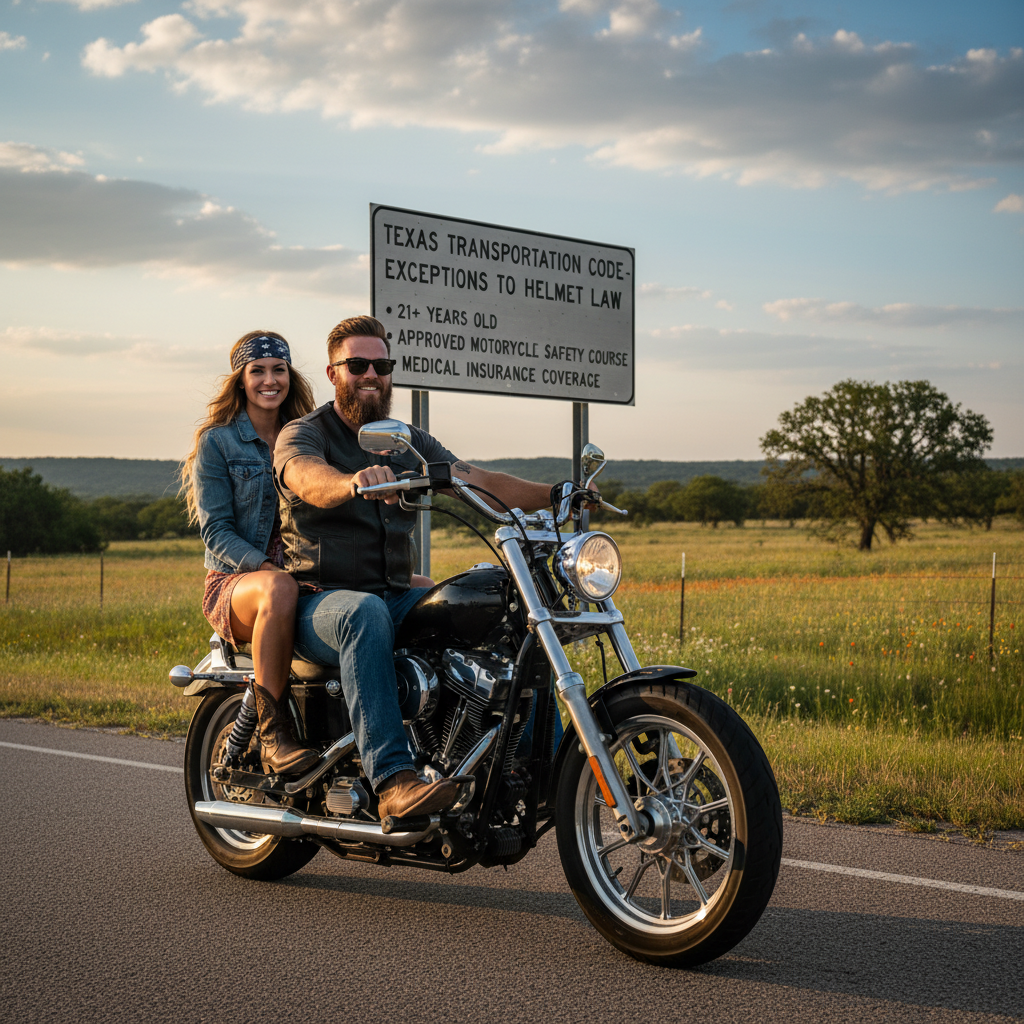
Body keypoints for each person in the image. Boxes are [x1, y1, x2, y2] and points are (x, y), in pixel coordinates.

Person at [273, 315, 557, 819]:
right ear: (333, 372)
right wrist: (351, 482)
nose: (371, 375)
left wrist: (556, 494)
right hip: (319, 603)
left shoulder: (407, 442)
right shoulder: (304, 433)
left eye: (381, 366)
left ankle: (538, 767)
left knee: (500, 602)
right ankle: (393, 781)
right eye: (357, 365)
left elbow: (475, 479)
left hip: (392, 596)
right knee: (363, 612)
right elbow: (305, 477)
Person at [181, 330, 320, 776]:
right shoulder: (218, 442)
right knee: (278, 588)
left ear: (290, 376)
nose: (269, 380)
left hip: (305, 574)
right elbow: (216, 531)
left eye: (278, 369)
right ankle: (272, 735)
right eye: (257, 370)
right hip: (236, 583)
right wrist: (268, 567)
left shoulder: (308, 436)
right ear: (240, 379)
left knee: (416, 587)